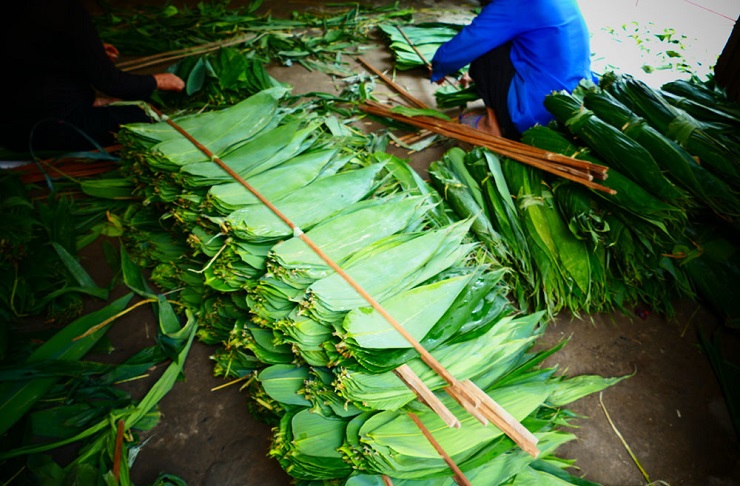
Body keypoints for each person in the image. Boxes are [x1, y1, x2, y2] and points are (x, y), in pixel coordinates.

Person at [0, 0, 185, 153]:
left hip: (10, 124)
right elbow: (111, 82)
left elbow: (33, 49)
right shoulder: (65, 9)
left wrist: (89, 48)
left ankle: (91, 104)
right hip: (51, 127)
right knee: (144, 115)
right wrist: (156, 80)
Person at [430, 0, 595, 139]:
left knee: (488, 45)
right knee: (504, 35)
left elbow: (470, 41)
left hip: (539, 115)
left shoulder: (514, 3)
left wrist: (439, 66)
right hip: (575, 102)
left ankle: (491, 127)